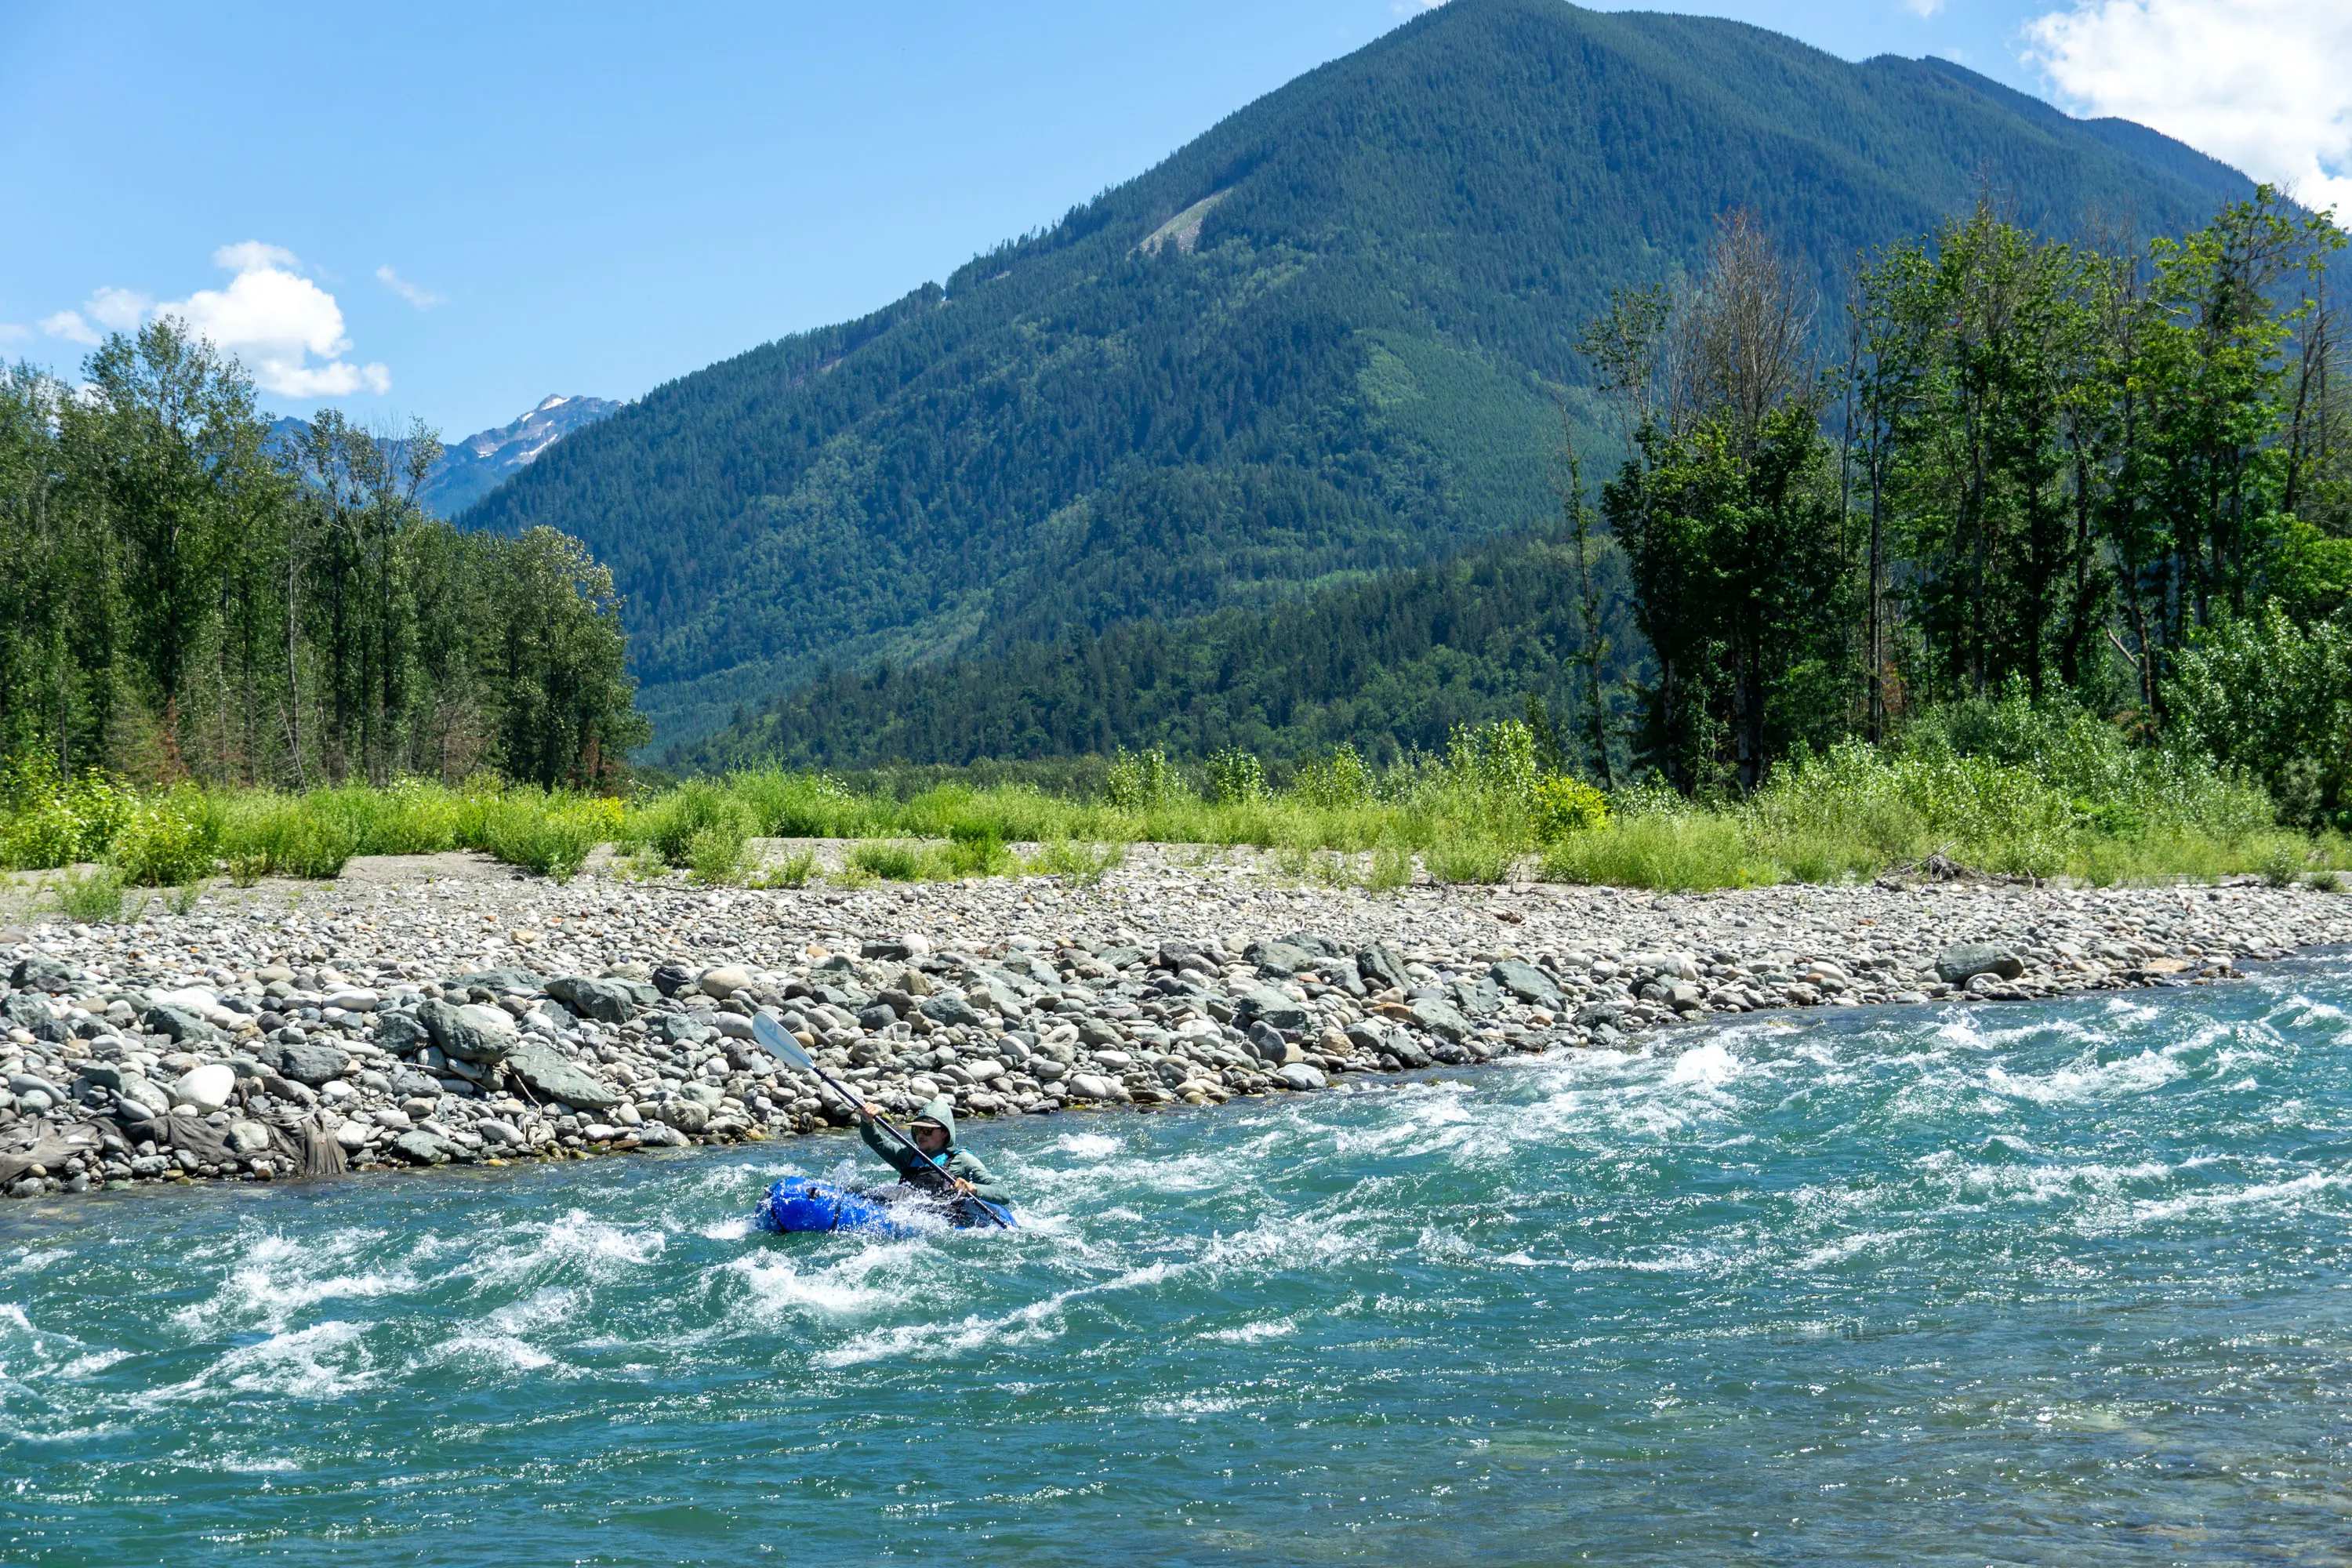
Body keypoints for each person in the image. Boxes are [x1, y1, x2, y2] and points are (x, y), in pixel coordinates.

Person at [855, 1095, 1009, 1212]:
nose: (921, 1134)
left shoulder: (961, 1160)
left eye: (927, 1130)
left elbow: (1002, 1193)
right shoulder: (908, 1155)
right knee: (858, 1190)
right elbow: (875, 1140)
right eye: (917, 1129)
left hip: (940, 1217)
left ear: (943, 1132)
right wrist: (867, 1120)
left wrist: (972, 1188)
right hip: (904, 1212)